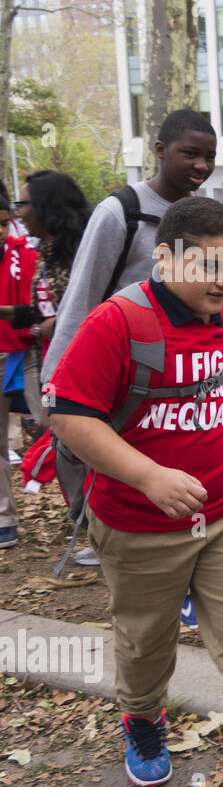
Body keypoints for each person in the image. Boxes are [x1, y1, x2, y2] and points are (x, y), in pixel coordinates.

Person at [47, 196, 223, 787]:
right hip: (139, 524)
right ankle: (143, 719)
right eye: (208, 266)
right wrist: (149, 475)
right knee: (147, 643)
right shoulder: (116, 323)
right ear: (165, 256)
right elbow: (66, 415)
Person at [42, 110, 223, 425]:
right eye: (190, 154)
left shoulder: (217, 219)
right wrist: (55, 387)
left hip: (198, 387)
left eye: (210, 157)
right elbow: (81, 298)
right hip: (128, 383)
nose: (202, 165)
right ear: (160, 150)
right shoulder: (119, 213)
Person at [4, 171, 92, 427]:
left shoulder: (82, 253)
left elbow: (96, 311)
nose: (18, 214)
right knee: (50, 428)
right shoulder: (44, 253)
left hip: (84, 368)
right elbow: (39, 313)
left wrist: (54, 327)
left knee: (64, 433)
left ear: (47, 205)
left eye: (22, 205)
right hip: (53, 365)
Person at [0, 195, 39, 548]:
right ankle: (4, 519)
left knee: (55, 425)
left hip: (28, 351)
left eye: (2, 223)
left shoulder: (26, 255)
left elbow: (37, 309)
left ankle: (87, 511)